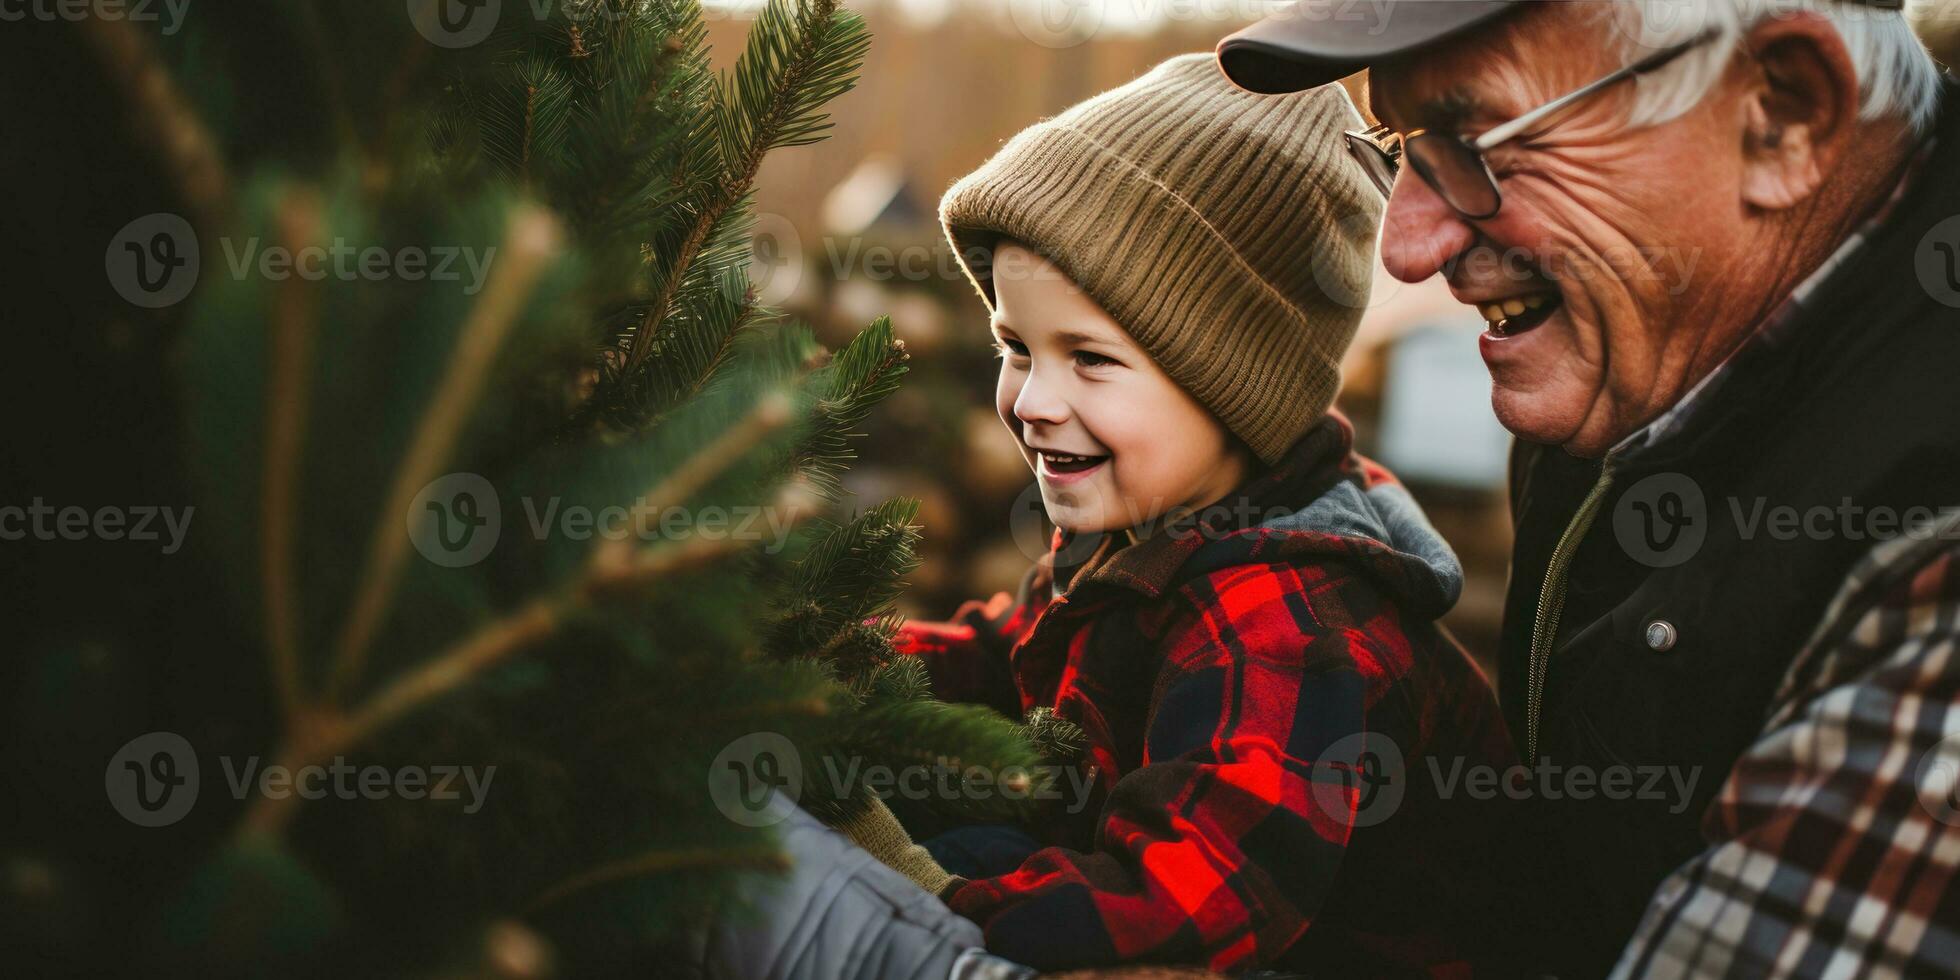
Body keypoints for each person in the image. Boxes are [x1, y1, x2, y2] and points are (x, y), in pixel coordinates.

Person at [1218, 1, 1960, 976]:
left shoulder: (1932, 580)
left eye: (1478, 139)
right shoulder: (1636, 363)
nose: (1409, 247)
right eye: (1403, 149)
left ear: (1784, 112)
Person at [829, 53, 1520, 975]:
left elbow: (1178, 910)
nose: (1032, 400)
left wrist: (914, 884)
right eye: (1016, 346)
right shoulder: (1143, 529)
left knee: (973, 862)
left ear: (1236, 387)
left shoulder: (1293, 626)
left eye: (1091, 359)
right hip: (1141, 881)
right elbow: (1013, 663)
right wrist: (840, 666)